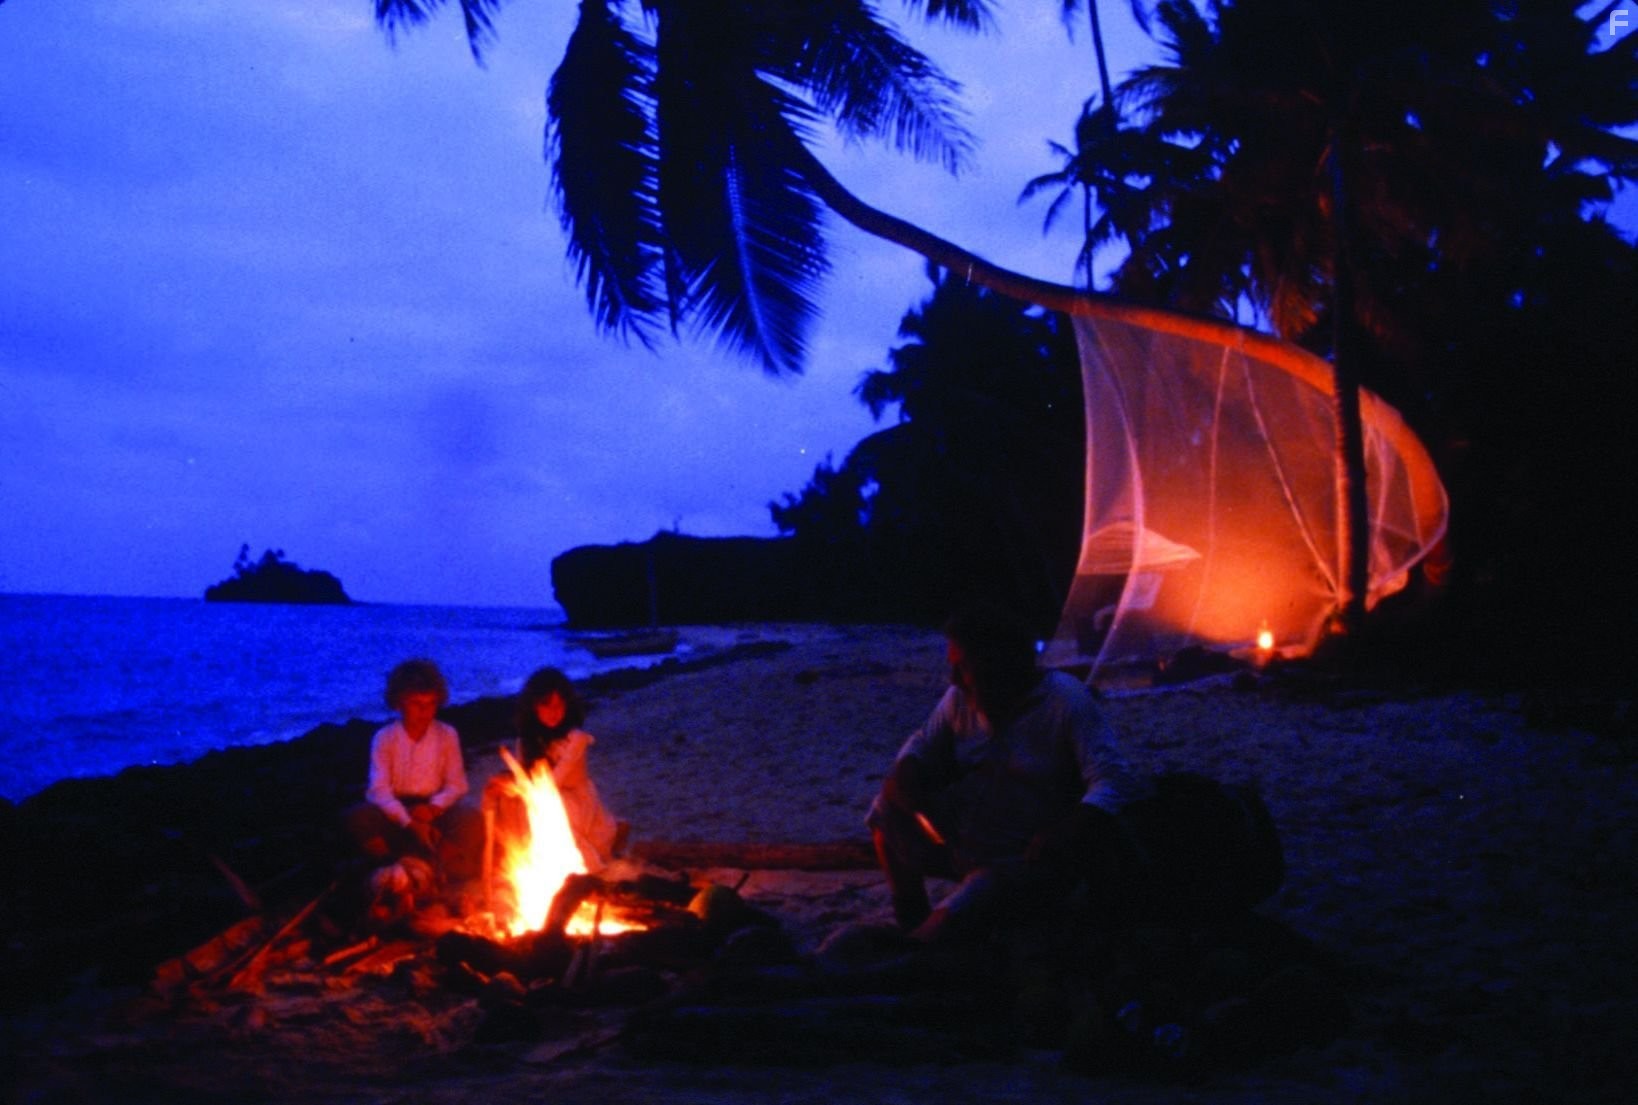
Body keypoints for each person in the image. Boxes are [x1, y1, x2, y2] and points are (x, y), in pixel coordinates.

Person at [867, 603, 1141, 942]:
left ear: (999, 663)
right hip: (966, 838)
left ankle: (917, 946)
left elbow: (1113, 778)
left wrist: (1070, 826)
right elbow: (922, 744)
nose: (953, 679)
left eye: (963, 667)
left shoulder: (1064, 701)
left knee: (979, 891)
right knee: (884, 812)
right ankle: (911, 917)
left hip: (1023, 854)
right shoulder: (960, 699)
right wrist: (907, 777)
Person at [345, 658, 482, 882]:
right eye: (417, 703)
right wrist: (408, 821)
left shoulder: (447, 734)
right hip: (395, 811)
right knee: (356, 817)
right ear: (400, 703)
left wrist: (432, 809)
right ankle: (391, 863)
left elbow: (457, 785)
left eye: (431, 704)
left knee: (471, 818)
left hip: (434, 809)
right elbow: (378, 791)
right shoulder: (385, 738)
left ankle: (435, 866)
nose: (425, 711)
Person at [489, 667, 627, 870]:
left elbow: (551, 786)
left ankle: (589, 870)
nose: (554, 712)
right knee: (510, 803)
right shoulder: (526, 741)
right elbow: (525, 780)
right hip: (541, 798)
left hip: (575, 801)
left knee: (555, 808)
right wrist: (504, 784)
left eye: (559, 705)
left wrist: (519, 787)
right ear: (534, 706)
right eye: (546, 705)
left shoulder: (576, 739)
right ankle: (524, 862)